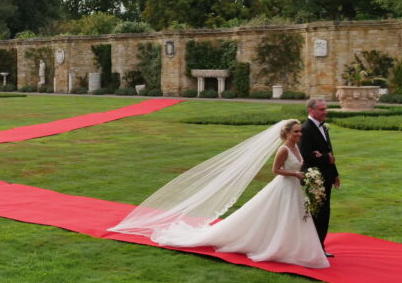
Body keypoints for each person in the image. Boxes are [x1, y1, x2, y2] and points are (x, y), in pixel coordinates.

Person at [110, 119, 329, 269]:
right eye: (296, 131)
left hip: (294, 188)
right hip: (284, 186)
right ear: (286, 133)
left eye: (300, 131)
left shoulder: (297, 148)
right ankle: (275, 245)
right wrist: (296, 175)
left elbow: (299, 165)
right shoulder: (282, 149)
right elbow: (275, 171)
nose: (300, 134)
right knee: (277, 215)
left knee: (293, 217)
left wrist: (307, 175)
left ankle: (291, 246)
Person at [299, 97, 339, 255]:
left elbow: (330, 153)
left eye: (325, 109)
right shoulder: (305, 129)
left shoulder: (324, 127)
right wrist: (324, 158)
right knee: (318, 214)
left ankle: (319, 246)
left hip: (326, 176)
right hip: (314, 177)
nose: (325, 112)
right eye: (321, 109)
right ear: (311, 110)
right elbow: (305, 156)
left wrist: (335, 173)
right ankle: (315, 248)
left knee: (324, 213)